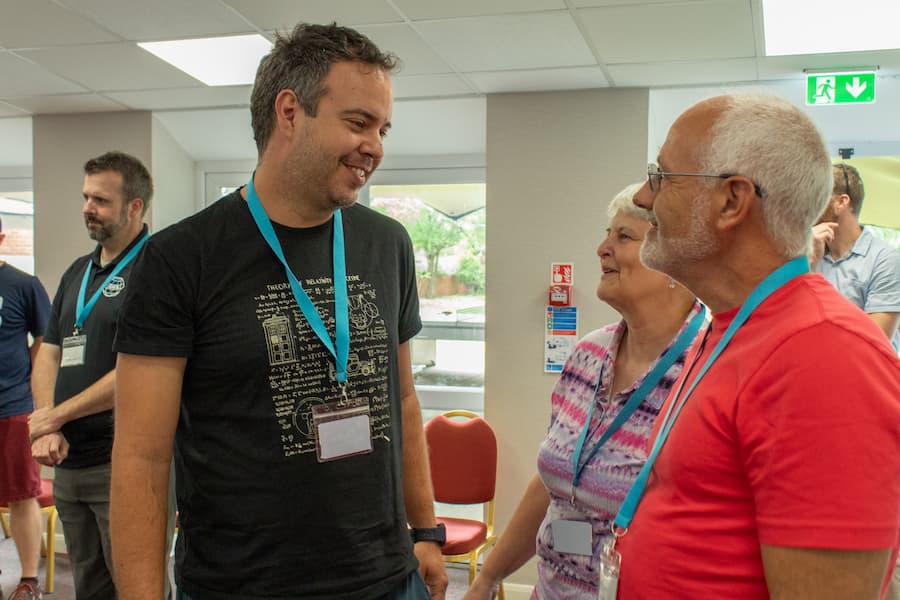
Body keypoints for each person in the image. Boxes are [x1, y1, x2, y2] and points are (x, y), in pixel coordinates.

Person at [110, 22, 448, 600]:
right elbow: (142, 457)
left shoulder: (387, 243)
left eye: (383, 128)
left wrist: (426, 530)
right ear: (289, 112)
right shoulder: (180, 258)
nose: (376, 146)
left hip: (387, 579)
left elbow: (404, 399)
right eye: (359, 123)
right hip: (241, 585)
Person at [613, 94, 900, 599]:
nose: (642, 196)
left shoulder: (822, 353)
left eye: (662, 176)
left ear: (732, 201)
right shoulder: (731, 328)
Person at [464, 183, 706, 600]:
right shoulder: (588, 355)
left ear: (674, 264)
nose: (602, 248)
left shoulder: (708, 369)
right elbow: (551, 483)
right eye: (607, 234)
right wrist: (488, 578)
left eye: (623, 237)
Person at [28, 151, 170, 600]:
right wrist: (48, 421)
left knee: (138, 587)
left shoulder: (158, 269)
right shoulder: (78, 271)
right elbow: (49, 352)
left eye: (101, 200)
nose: (88, 208)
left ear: (134, 206)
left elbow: (138, 371)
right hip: (69, 459)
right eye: (86, 197)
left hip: (127, 462)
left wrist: (54, 417)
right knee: (88, 585)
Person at [0, 217, 51, 600]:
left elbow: (46, 341)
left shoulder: (22, 284)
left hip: (14, 407)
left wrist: (26, 379)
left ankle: (28, 580)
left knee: (22, 494)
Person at [810, 162, 900, 349]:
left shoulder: (885, 259)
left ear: (841, 202)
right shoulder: (808, 256)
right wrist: (807, 265)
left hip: (865, 375)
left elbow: (875, 342)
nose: (810, 206)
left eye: (818, 197)